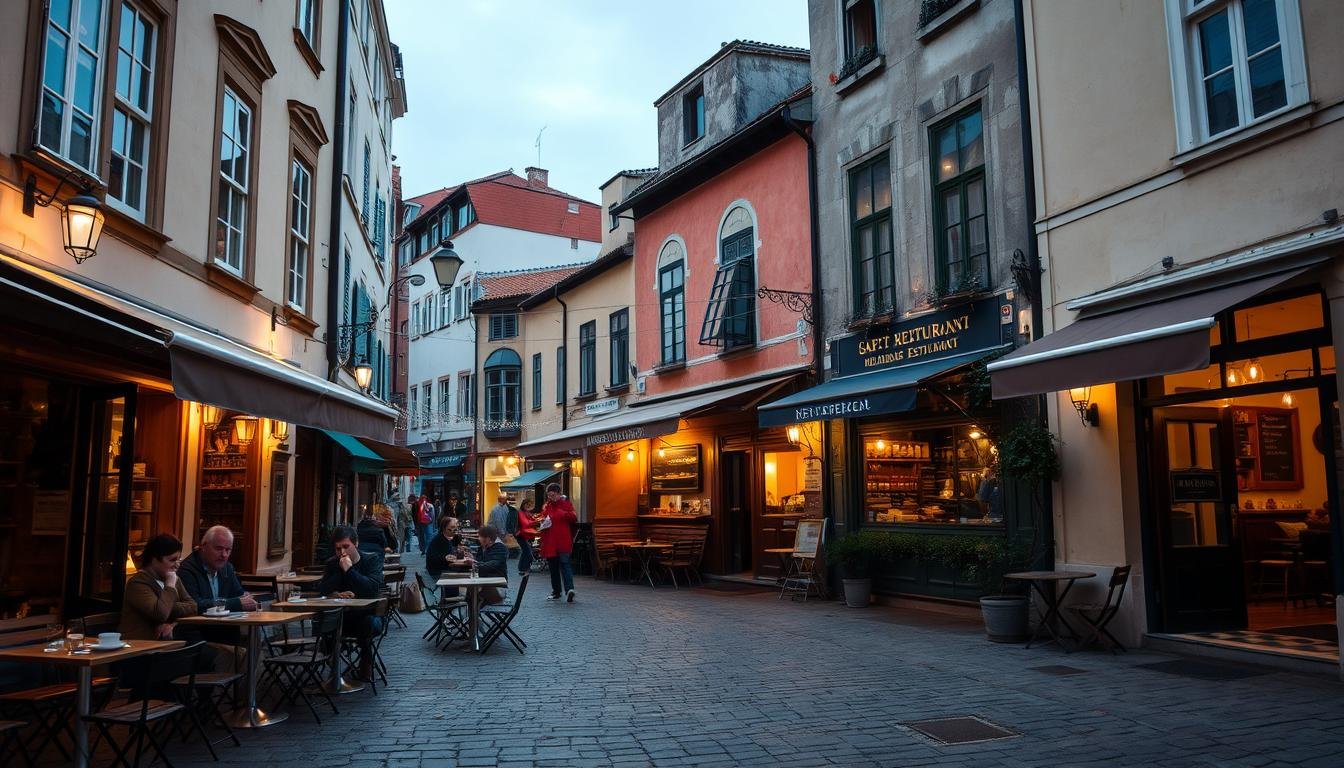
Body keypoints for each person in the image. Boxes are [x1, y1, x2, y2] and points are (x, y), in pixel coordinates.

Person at [315, 526, 384, 679]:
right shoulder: (332, 564)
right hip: (341, 617)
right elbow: (322, 589)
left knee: (368, 623)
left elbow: (371, 588)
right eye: (338, 548)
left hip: (366, 615)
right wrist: (336, 593)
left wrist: (350, 570)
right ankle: (331, 660)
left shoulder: (371, 560)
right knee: (322, 623)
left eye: (346, 547)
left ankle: (366, 658)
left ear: (356, 543)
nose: (342, 552)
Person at [120, 533, 197, 642]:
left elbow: (193, 606)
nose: (177, 565)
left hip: (167, 643)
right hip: (140, 645)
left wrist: (173, 625)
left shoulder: (173, 578)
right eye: (172, 560)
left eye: (179, 560)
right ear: (154, 559)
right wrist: (170, 586)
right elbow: (160, 614)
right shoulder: (137, 583)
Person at [178, 525, 258, 614]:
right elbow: (194, 605)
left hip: (224, 622)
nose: (224, 555)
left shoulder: (227, 568)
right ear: (203, 546)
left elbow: (239, 595)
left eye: (228, 550)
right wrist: (235, 603)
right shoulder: (186, 570)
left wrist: (246, 598)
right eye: (219, 548)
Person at [539, 482, 578, 602]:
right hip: (551, 541)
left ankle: (569, 589)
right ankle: (556, 591)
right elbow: (542, 517)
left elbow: (574, 517)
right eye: (549, 495)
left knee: (565, 565)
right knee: (553, 568)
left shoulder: (566, 504)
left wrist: (563, 513)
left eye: (553, 495)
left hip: (563, 541)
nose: (551, 497)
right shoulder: (547, 506)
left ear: (558, 494)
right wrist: (543, 521)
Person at [464, 525, 508, 605]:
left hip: (497, 587)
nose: (478, 539)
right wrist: (473, 559)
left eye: (480, 537)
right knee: (470, 590)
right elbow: (481, 563)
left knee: (473, 591)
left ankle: (473, 611)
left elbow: (491, 565)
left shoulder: (500, 548)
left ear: (487, 539)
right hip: (485, 583)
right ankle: (471, 612)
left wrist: (474, 563)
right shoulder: (483, 547)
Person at [516, 498, 538, 575]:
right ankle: (524, 568)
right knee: (528, 552)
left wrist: (534, 519)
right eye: (527, 504)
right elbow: (525, 523)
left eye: (530, 505)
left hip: (525, 534)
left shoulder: (526, 512)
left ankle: (521, 568)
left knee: (525, 551)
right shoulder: (521, 513)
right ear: (523, 505)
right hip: (521, 534)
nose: (528, 506)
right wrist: (536, 521)